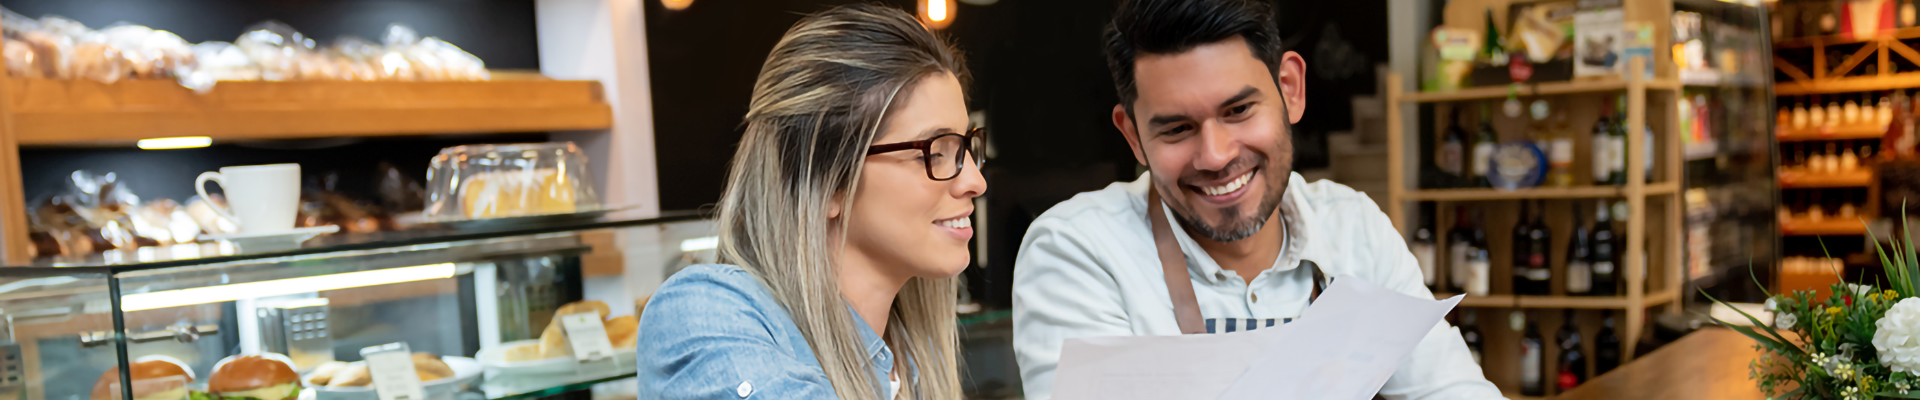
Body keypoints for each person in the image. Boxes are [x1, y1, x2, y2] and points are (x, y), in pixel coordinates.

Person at [1010, 0, 1504, 399]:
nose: (1216, 155)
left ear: (1289, 88)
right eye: (1177, 129)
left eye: (1239, 109)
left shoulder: (1355, 231)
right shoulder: (1078, 251)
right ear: (1134, 136)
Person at [636, 4, 983, 400]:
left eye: (967, 148)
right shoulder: (704, 314)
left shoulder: (911, 355)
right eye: (937, 151)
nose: (974, 181)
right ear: (826, 179)